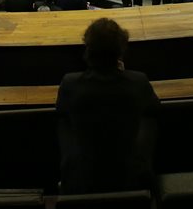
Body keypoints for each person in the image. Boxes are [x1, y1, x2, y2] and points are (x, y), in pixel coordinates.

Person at [56, 18, 159, 193]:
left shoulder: (70, 84)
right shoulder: (138, 82)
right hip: (130, 180)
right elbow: (154, 113)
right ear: (121, 50)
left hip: (83, 180)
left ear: (88, 49)